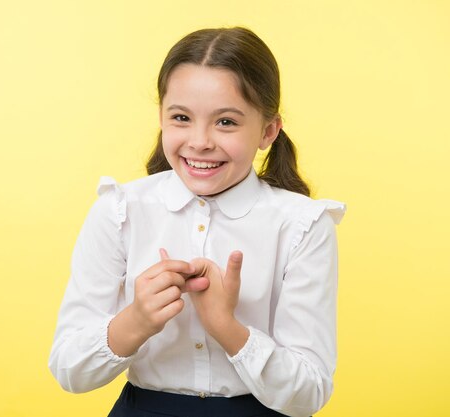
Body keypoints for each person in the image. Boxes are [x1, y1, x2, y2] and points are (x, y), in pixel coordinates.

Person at [48, 27, 346, 417]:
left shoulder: (302, 225)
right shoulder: (120, 211)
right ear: (161, 118)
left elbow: (309, 393)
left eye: (226, 122)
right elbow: (69, 370)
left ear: (268, 131)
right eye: (182, 117)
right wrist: (136, 321)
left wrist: (226, 326)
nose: (200, 141)